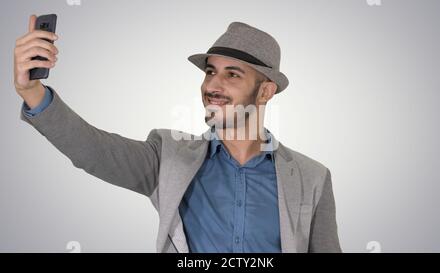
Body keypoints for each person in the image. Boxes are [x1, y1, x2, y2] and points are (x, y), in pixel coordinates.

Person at [13, 15, 341, 253]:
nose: (213, 85)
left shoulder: (312, 177)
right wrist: (33, 92)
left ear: (266, 92)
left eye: (232, 75)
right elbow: (94, 150)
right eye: (211, 71)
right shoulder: (167, 156)